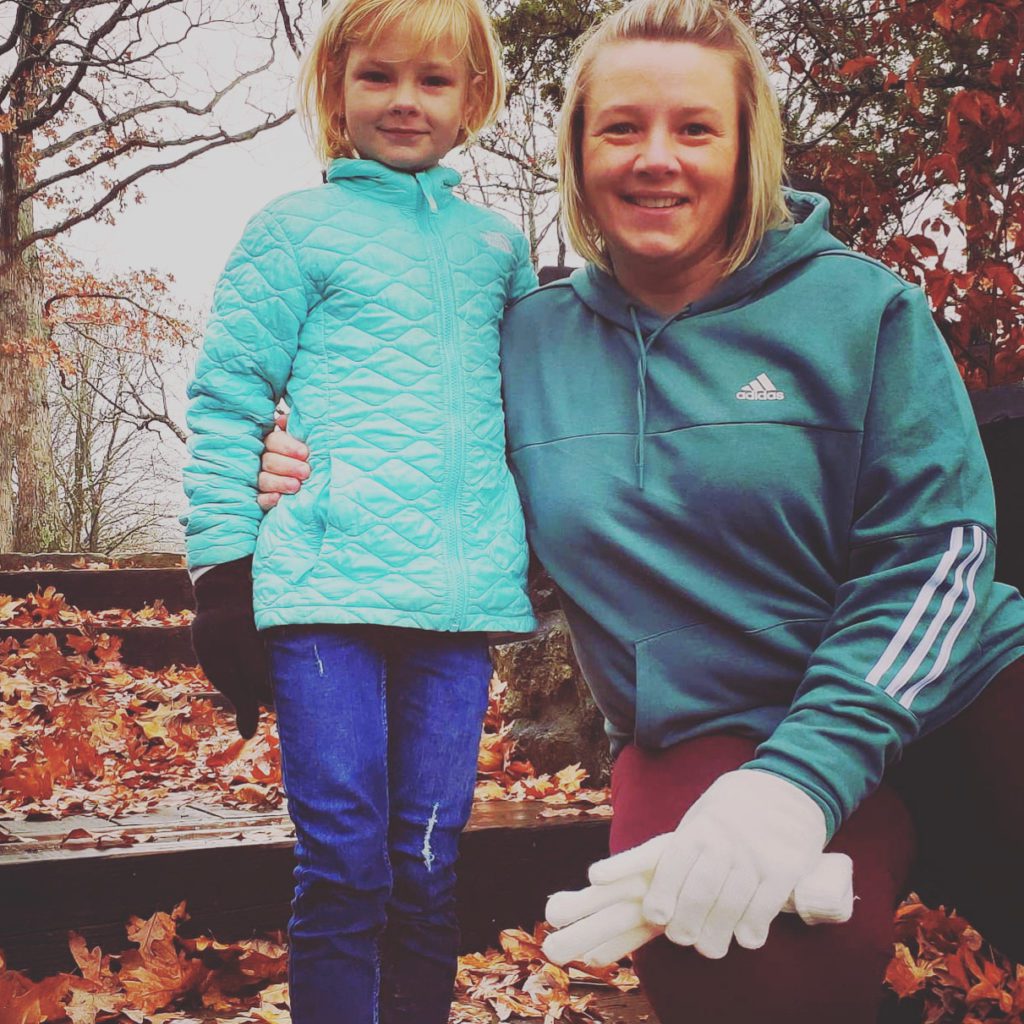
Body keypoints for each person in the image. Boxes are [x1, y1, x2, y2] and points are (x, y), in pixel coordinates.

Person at [255, 0, 1024, 1020]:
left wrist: (798, 783)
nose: (655, 158)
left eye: (694, 128)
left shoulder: (866, 311)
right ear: (578, 150)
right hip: (708, 727)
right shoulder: (519, 338)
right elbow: (445, 485)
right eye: (621, 127)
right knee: (729, 967)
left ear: (745, 147)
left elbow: (940, 552)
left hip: (949, 691)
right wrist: (311, 468)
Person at [181, 1, 540, 1021]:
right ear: (336, 85)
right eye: (378, 76)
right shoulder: (292, 230)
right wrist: (224, 572)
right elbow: (230, 395)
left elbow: (534, 402)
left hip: (454, 605)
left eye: (433, 81)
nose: (404, 101)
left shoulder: (496, 249)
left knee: (425, 866)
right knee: (344, 861)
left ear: (472, 96)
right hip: (321, 594)